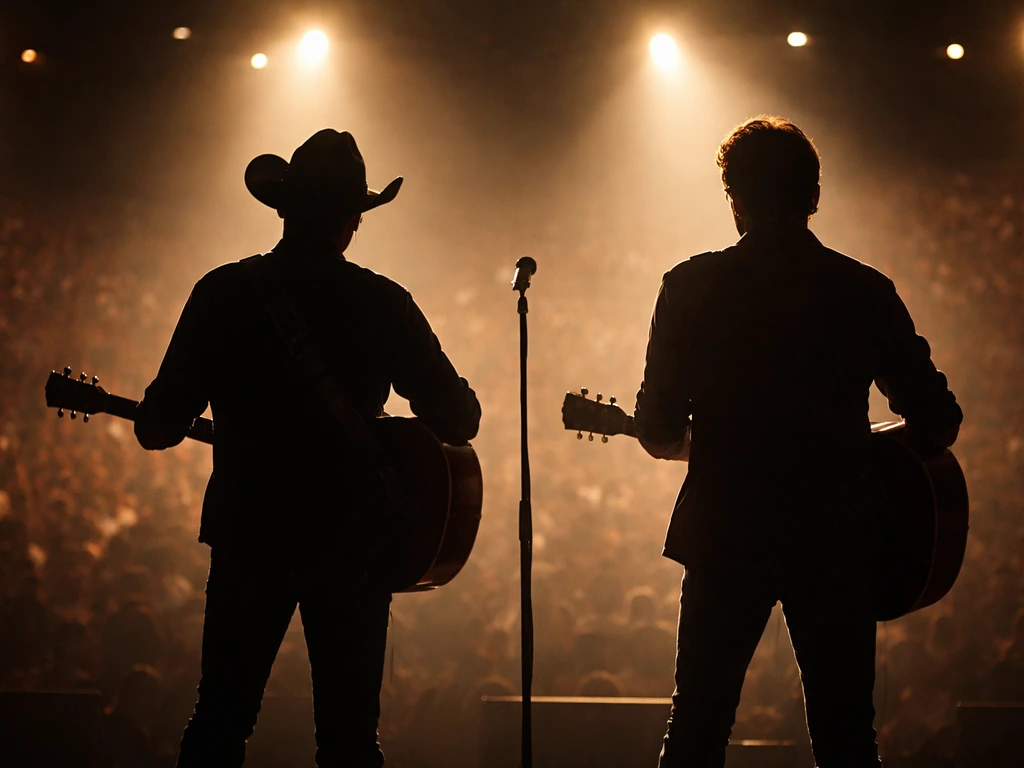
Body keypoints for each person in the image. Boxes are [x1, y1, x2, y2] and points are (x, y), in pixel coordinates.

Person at [134, 129, 481, 768]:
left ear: (283, 209)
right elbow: (460, 417)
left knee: (220, 721)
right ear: (353, 221)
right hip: (353, 544)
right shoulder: (384, 302)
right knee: (350, 740)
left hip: (251, 535)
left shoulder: (223, 293)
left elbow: (156, 427)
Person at [633, 116, 962, 767]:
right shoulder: (863, 290)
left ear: (736, 198)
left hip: (727, 534)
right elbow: (937, 418)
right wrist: (867, 455)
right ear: (812, 196)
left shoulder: (691, 286)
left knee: (697, 725)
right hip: (836, 537)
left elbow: (658, 430)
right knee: (846, 736)